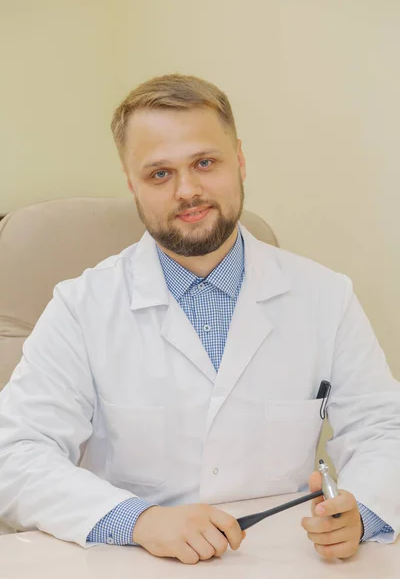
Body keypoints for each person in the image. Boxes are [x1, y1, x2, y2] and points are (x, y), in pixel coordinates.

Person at [0, 74, 399, 565]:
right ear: (132, 184)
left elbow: (383, 428)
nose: (187, 190)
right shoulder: (82, 306)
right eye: (159, 174)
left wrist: (363, 512)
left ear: (241, 162)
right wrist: (140, 520)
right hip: (130, 561)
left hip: (282, 557)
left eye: (205, 163)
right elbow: (14, 454)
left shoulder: (325, 296)